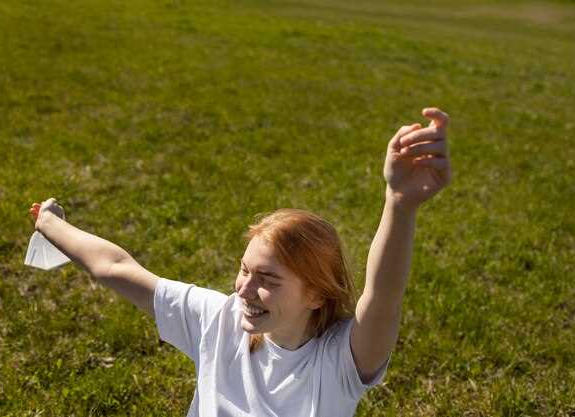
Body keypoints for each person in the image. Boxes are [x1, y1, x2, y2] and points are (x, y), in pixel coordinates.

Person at [28, 107, 451, 417]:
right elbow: (115, 267)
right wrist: (49, 224)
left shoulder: (338, 361)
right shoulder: (219, 319)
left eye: (267, 278)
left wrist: (399, 203)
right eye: (245, 269)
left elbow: (383, 296)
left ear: (317, 293)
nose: (243, 289)